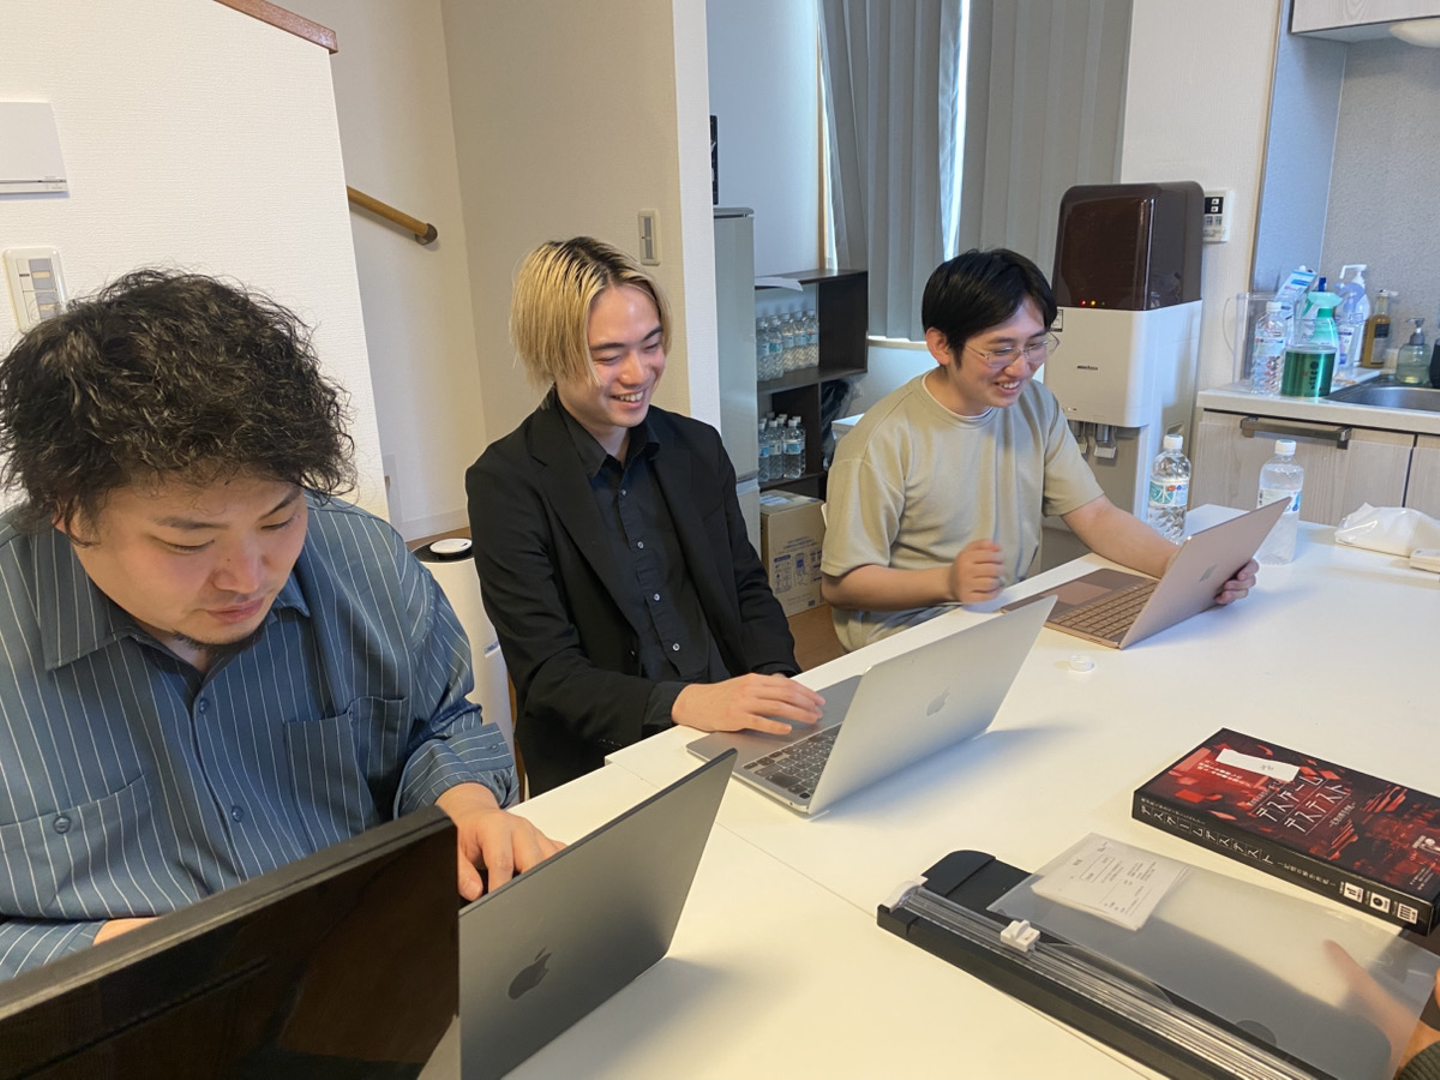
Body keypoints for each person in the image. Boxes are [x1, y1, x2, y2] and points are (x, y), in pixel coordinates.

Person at [0, 270, 558, 981]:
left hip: (376, 971)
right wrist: (107, 959)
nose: (248, 577)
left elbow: (438, 726)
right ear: (66, 507)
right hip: (118, 1018)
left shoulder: (358, 559)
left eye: (277, 518)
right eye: (187, 542)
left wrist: (465, 808)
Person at [466, 237, 824, 794]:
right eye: (609, 356)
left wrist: (775, 685)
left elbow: (746, 589)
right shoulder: (506, 483)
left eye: (652, 345)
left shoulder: (696, 448)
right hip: (607, 758)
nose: (639, 373)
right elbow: (550, 675)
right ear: (552, 353)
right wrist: (688, 702)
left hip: (732, 728)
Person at [821, 248, 1256, 651]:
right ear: (940, 345)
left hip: (1003, 616)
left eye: (1034, 345)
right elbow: (842, 585)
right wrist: (948, 582)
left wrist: (1186, 569)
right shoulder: (881, 442)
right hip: (909, 639)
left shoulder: (1035, 405)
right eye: (1000, 350)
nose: (1020, 368)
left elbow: (1096, 516)